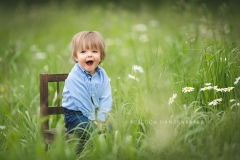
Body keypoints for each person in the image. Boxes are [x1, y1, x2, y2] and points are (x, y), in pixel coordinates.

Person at [62, 31, 112, 154]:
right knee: (88, 129)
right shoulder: (74, 76)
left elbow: (106, 96)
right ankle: (79, 154)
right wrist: (94, 121)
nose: (89, 55)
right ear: (76, 56)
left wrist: (101, 118)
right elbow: (82, 100)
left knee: (112, 127)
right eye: (83, 52)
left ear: (100, 56)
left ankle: (106, 153)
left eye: (94, 51)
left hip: (95, 114)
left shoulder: (102, 74)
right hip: (74, 114)